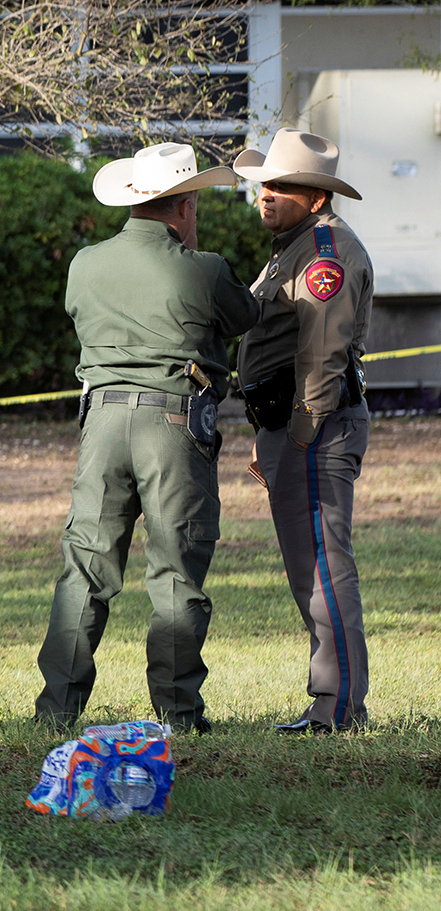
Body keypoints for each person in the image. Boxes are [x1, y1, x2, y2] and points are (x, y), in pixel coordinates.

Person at [34, 142, 260, 733]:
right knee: (175, 569)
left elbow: (77, 314)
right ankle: (179, 712)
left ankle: (57, 708)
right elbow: (247, 319)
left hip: (102, 421)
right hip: (173, 423)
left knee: (85, 565)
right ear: (183, 206)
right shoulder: (203, 268)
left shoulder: (84, 263)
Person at [233, 129, 373, 733]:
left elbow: (321, 358)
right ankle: (332, 704)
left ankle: (337, 710)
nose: (267, 192)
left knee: (322, 564)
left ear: (317, 196)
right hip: (290, 426)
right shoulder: (290, 246)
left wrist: (294, 439)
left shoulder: (323, 252)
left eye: (283, 184)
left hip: (314, 427)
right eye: (264, 182)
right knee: (308, 567)